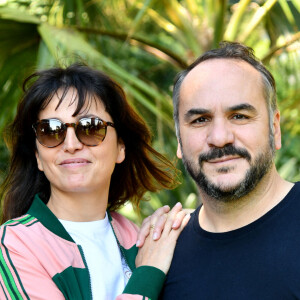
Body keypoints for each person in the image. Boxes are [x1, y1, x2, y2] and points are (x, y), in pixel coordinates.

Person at [0, 64, 190, 300]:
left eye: (90, 128)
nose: (71, 145)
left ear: (121, 147)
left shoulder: (143, 240)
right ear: (38, 156)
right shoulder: (15, 245)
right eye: (51, 130)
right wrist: (148, 274)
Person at [160, 42, 300, 299]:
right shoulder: (161, 255)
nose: (220, 138)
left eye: (239, 116)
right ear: (179, 139)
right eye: (200, 120)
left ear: (275, 129)